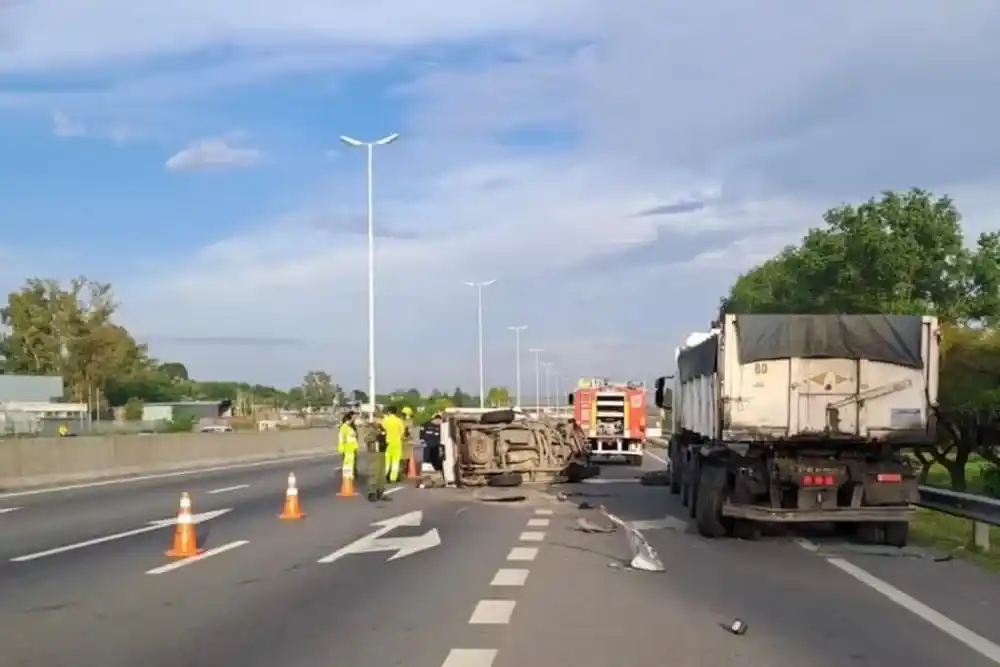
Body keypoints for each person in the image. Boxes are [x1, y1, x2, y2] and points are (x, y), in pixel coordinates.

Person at [380, 406, 406, 484]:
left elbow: (383, 426)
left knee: (387, 461)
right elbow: (402, 431)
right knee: (395, 461)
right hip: (397, 443)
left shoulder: (387, 420)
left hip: (389, 443)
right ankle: (393, 478)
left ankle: (384, 475)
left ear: (389, 412)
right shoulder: (399, 421)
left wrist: (385, 418)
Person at [366, 418, 390, 502]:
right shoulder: (371, 429)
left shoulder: (384, 429)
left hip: (383, 452)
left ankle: (381, 491)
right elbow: (367, 439)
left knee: (382, 474)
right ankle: (372, 492)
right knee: (374, 472)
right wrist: (376, 433)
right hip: (375, 453)